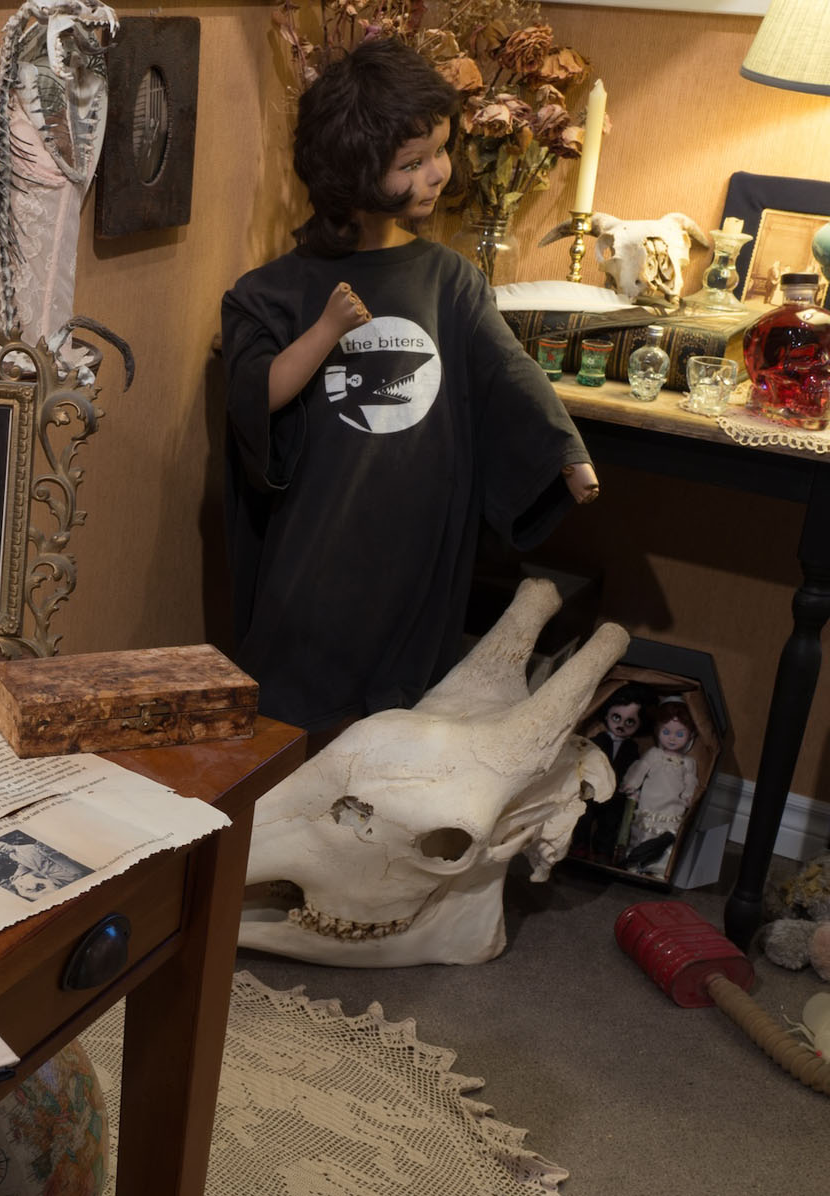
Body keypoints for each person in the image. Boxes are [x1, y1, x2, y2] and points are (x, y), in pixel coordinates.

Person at [219, 38, 599, 737]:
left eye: (441, 151)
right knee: (294, 700)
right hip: (321, 533)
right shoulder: (271, 293)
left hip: (416, 534)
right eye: (412, 163)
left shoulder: (450, 281)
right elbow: (254, 397)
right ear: (352, 174)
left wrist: (564, 453)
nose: (437, 174)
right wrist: (328, 327)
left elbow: (506, 368)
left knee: (401, 707)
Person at [574, 681, 655, 861]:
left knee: (610, 823)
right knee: (583, 817)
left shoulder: (632, 749)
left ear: (640, 725)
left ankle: (603, 852)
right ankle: (579, 846)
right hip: (591, 790)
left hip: (616, 794)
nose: (621, 725)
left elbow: (634, 770)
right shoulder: (597, 741)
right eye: (616, 718)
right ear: (607, 715)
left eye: (630, 722)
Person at [619, 702, 701, 876]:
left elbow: (691, 781)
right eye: (666, 732)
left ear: (690, 735)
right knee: (642, 833)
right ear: (657, 731)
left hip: (672, 808)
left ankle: (659, 867)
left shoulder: (688, 763)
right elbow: (641, 768)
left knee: (664, 838)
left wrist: (688, 795)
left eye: (679, 734)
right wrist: (631, 783)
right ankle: (635, 861)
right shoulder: (654, 754)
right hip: (649, 805)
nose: (672, 738)